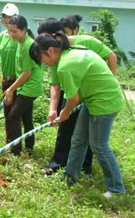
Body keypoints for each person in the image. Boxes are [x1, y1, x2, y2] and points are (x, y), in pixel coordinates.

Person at [30, 32, 125, 197]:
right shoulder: (67, 54)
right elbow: (65, 91)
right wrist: (56, 111)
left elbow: (73, 98)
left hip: (105, 101)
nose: (44, 64)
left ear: (50, 50)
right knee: (79, 139)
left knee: (99, 146)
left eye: (41, 58)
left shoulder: (66, 65)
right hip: (93, 99)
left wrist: (64, 113)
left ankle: (117, 189)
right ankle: (70, 176)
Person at [37, 17, 117, 175]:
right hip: (71, 93)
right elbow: (55, 84)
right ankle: (60, 166)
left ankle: (85, 167)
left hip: (93, 97)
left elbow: (112, 57)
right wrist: (52, 109)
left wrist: (107, 83)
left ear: (56, 35)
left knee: (93, 138)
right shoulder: (54, 57)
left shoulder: (85, 42)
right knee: (68, 131)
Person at [3, 15, 43, 156]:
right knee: (26, 118)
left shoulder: (27, 45)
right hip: (26, 86)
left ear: (24, 30)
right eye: (10, 31)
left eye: (14, 31)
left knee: (13, 117)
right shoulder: (21, 42)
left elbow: (27, 73)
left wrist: (11, 89)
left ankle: (16, 151)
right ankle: (29, 148)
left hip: (30, 87)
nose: (11, 34)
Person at [0, 3, 20, 135]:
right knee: (7, 112)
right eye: (4, 16)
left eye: (9, 16)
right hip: (5, 80)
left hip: (18, 80)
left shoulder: (20, 36)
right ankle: (9, 140)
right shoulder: (1, 36)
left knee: (16, 115)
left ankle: (20, 145)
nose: (6, 19)